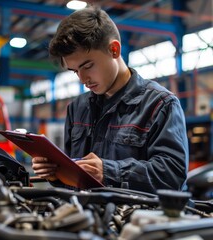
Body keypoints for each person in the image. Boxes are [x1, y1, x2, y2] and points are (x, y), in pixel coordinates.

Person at [32, 6, 189, 193]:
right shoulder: (77, 108)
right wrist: (55, 173)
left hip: (139, 219)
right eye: (75, 71)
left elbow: (173, 175)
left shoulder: (159, 105)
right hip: (87, 215)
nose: (82, 80)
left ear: (114, 50)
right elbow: (75, 175)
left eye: (87, 66)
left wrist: (109, 171)